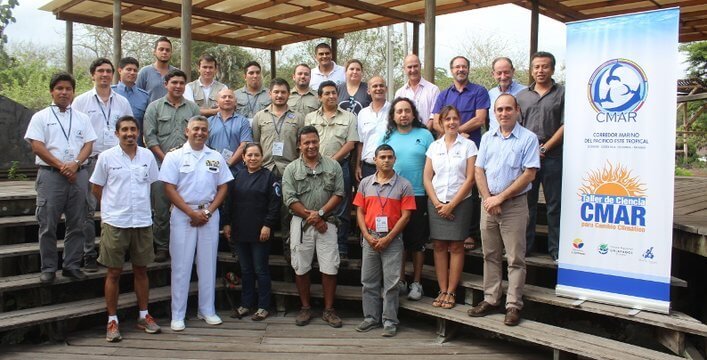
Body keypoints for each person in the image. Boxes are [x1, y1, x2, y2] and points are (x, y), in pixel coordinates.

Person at [467, 94, 539, 327]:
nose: (503, 113)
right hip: (488, 205)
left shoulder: (528, 139)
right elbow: (479, 170)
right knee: (490, 255)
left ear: (517, 110)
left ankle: (513, 305)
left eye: (508, 109)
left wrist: (500, 197)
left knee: (515, 258)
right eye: (499, 110)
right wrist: (488, 199)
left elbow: (529, 174)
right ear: (494, 113)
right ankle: (491, 298)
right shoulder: (488, 137)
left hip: (514, 205)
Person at [89, 116, 161, 342]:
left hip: (141, 221)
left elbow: (151, 185)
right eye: (125, 130)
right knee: (113, 272)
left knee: (141, 270)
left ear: (138, 132)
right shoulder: (106, 157)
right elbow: (96, 189)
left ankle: (144, 315)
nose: (129, 134)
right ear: (117, 133)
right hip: (115, 222)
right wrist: (111, 209)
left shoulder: (147, 156)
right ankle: (112, 320)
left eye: (133, 130)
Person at [159, 116, 233, 332]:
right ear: (187, 131)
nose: (200, 133)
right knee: (181, 266)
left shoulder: (216, 157)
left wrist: (208, 212)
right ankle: (178, 314)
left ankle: (207, 310)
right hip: (184, 214)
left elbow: (223, 187)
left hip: (209, 213)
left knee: (208, 264)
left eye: (203, 129)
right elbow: (169, 188)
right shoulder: (175, 156)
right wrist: (191, 212)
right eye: (195, 129)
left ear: (208, 133)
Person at [24, 72, 97, 284]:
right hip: (51, 176)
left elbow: (88, 144)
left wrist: (75, 164)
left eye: (68, 89)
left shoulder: (82, 118)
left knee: (78, 222)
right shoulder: (41, 117)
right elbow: (37, 145)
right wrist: (62, 166)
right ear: (52, 91)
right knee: (47, 223)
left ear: (73, 93)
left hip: (78, 174)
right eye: (60, 89)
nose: (64, 92)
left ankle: (71, 265)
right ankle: (48, 267)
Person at [73, 57, 134, 272]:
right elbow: (75, 133)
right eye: (101, 71)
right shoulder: (81, 101)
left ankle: (119, 251)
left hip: (118, 160)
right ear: (93, 75)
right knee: (88, 209)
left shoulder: (122, 102)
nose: (105, 75)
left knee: (120, 203)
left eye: (109, 71)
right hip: (92, 159)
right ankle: (90, 253)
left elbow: (129, 130)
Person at [282, 126, 344, 328]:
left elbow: (339, 193)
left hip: (328, 223)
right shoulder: (291, 169)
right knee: (301, 266)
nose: (311, 146)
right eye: (306, 142)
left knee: (330, 267)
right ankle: (306, 307)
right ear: (299, 145)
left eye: (314, 141)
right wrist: (313, 217)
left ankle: (328, 309)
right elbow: (289, 198)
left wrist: (322, 215)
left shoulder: (333, 166)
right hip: (301, 224)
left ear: (319, 142)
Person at [353, 144, 415, 338]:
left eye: (389, 157)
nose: (386, 160)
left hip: (393, 239)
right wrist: (367, 236)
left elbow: (406, 217)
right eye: (382, 157)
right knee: (368, 281)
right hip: (370, 237)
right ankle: (371, 317)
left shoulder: (404, 185)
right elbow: (360, 212)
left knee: (391, 282)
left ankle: (389, 320)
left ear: (395, 159)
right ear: (375, 160)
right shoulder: (365, 183)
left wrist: (388, 238)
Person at [432, 55, 490, 252]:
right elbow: (436, 121)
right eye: (457, 67)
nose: (460, 69)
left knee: (470, 192)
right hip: (447, 146)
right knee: (445, 183)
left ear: (468, 69)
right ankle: (444, 229)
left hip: (471, 147)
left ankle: (469, 233)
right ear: (452, 70)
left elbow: (480, 119)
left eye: (464, 66)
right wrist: (453, 133)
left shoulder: (479, 91)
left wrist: (458, 132)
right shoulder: (443, 94)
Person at [423, 105, 477, 309]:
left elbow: (470, 178)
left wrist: (452, 204)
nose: (452, 122)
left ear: (459, 120)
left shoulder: (468, 146)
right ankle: (442, 289)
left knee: (456, 246)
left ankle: (452, 291)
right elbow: (427, 177)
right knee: (438, 246)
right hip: (437, 203)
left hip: (460, 203)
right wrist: (437, 203)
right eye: (447, 119)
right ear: (441, 123)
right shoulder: (434, 147)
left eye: (455, 118)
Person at [143, 69, 201, 263]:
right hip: (161, 164)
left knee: (186, 204)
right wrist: (166, 158)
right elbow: (149, 138)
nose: (177, 86)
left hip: (188, 165)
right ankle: (161, 246)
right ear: (165, 84)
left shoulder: (192, 109)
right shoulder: (154, 108)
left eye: (181, 83)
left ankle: (186, 245)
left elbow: (199, 135)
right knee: (161, 207)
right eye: (174, 82)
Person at [380, 97, 434, 301]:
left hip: (419, 194)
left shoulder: (425, 135)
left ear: (413, 114)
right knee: (398, 240)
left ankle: (417, 282)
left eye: (407, 111)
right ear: (393, 115)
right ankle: (401, 280)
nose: (403, 114)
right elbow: (379, 161)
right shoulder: (388, 136)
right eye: (399, 111)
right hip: (393, 195)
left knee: (417, 241)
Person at [223, 143, 280, 321]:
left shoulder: (270, 177)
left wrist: (268, 225)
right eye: (249, 155)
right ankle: (245, 305)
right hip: (240, 231)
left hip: (260, 231)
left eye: (256, 155)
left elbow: (275, 204)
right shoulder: (237, 176)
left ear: (262, 157)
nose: (253, 158)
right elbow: (228, 202)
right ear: (243, 158)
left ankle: (263, 306)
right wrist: (227, 224)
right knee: (246, 270)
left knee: (260, 269)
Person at [516, 51, 564, 261]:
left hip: (553, 155)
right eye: (536, 67)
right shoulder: (522, 96)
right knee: (528, 203)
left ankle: (556, 250)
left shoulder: (562, 93)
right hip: (527, 158)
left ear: (552, 69)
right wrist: (531, 151)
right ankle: (526, 246)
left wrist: (544, 149)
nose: (540, 71)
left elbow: (566, 125)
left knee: (555, 204)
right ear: (531, 70)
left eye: (545, 67)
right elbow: (517, 126)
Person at [252, 78, 305, 262]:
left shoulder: (298, 117)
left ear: (288, 94)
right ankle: (262, 248)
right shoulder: (260, 117)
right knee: (262, 209)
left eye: (283, 92)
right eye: (276, 92)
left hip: (289, 170)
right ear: (270, 94)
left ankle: (288, 249)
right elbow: (256, 143)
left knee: (287, 211)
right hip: (265, 170)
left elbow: (301, 146)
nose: (280, 95)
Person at [305, 80, 358, 260]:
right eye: (326, 93)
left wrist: (331, 162)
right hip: (313, 167)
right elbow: (306, 143)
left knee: (341, 209)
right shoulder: (310, 118)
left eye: (334, 92)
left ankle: (341, 247)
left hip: (339, 167)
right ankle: (316, 246)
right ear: (320, 97)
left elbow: (351, 143)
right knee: (316, 205)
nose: (331, 96)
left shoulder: (349, 117)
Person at [206, 88, 252, 173]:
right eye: (224, 97)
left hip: (237, 171)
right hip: (212, 169)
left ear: (235, 102)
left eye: (230, 97)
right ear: (217, 102)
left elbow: (244, 145)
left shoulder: (243, 121)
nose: (227, 99)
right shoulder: (209, 122)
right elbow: (205, 147)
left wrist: (228, 164)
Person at [356, 76, 390, 181]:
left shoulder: (394, 110)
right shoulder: (362, 113)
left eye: (381, 86)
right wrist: (358, 165)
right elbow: (361, 142)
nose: (378, 88)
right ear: (369, 91)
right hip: (368, 168)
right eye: (374, 86)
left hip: (389, 167)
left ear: (386, 89)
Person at [112, 57, 150, 146]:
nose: (132, 73)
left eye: (135, 70)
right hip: (113, 146)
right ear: (120, 70)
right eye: (128, 69)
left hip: (137, 146)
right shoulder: (111, 93)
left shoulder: (144, 96)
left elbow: (147, 124)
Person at [394, 54, 440, 129]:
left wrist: (424, 134)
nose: (413, 70)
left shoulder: (433, 90)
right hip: (406, 136)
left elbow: (434, 116)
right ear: (404, 69)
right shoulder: (399, 93)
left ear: (420, 66)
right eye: (409, 67)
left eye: (415, 66)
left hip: (428, 135)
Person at [487, 57, 526, 132]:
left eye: (506, 72)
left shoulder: (525, 92)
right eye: (499, 73)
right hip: (494, 140)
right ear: (493, 74)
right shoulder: (490, 94)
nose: (503, 77)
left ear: (513, 71)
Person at [136, 36, 177, 103]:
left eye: (167, 50)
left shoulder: (176, 73)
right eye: (161, 49)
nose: (164, 52)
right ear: (154, 52)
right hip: (150, 112)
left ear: (171, 53)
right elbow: (137, 95)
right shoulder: (144, 72)